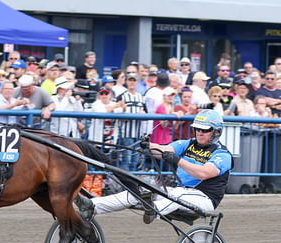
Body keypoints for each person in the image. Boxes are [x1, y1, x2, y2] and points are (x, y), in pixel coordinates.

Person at [77, 110, 233, 225]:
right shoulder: (189, 143)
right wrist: (147, 145)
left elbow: (204, 173)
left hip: (204, 199)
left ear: (217, 131)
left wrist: (178, 161)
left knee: (177, 194)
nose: (199, 132)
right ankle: (93, 206)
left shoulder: (222, 154)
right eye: (197, 128)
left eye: (204, 130)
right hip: (180, 194)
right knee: (141, 189)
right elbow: (165, 150)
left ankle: (153, 208)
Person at [115, 72, 145, 171]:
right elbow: (117, 114)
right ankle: (125, 185)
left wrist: (142, 113)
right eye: (130, 80)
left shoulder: (141, 97)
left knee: (135, 161)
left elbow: (146, 113)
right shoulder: (121, 96)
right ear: (126, 81)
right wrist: (125, 112)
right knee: (126, 160)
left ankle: (132, 185)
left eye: (134, 80)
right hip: (126, 132)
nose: (132, 83)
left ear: (137, 82)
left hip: (138, 132)